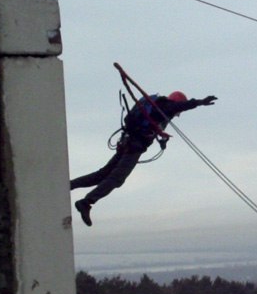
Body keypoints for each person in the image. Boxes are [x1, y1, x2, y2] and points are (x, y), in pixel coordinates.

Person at [70, 91, 217, 226]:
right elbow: (182, 105)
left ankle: (68, 185)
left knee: (102, 175)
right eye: (178, 110)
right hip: (134, 147)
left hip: (126, 142)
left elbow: (151, 127)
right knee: (116, 178)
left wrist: (162, 138)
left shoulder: (156, 107)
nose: (177, 113)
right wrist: (200, 102)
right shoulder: (166, 106)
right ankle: (86, 202)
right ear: (176, 102)